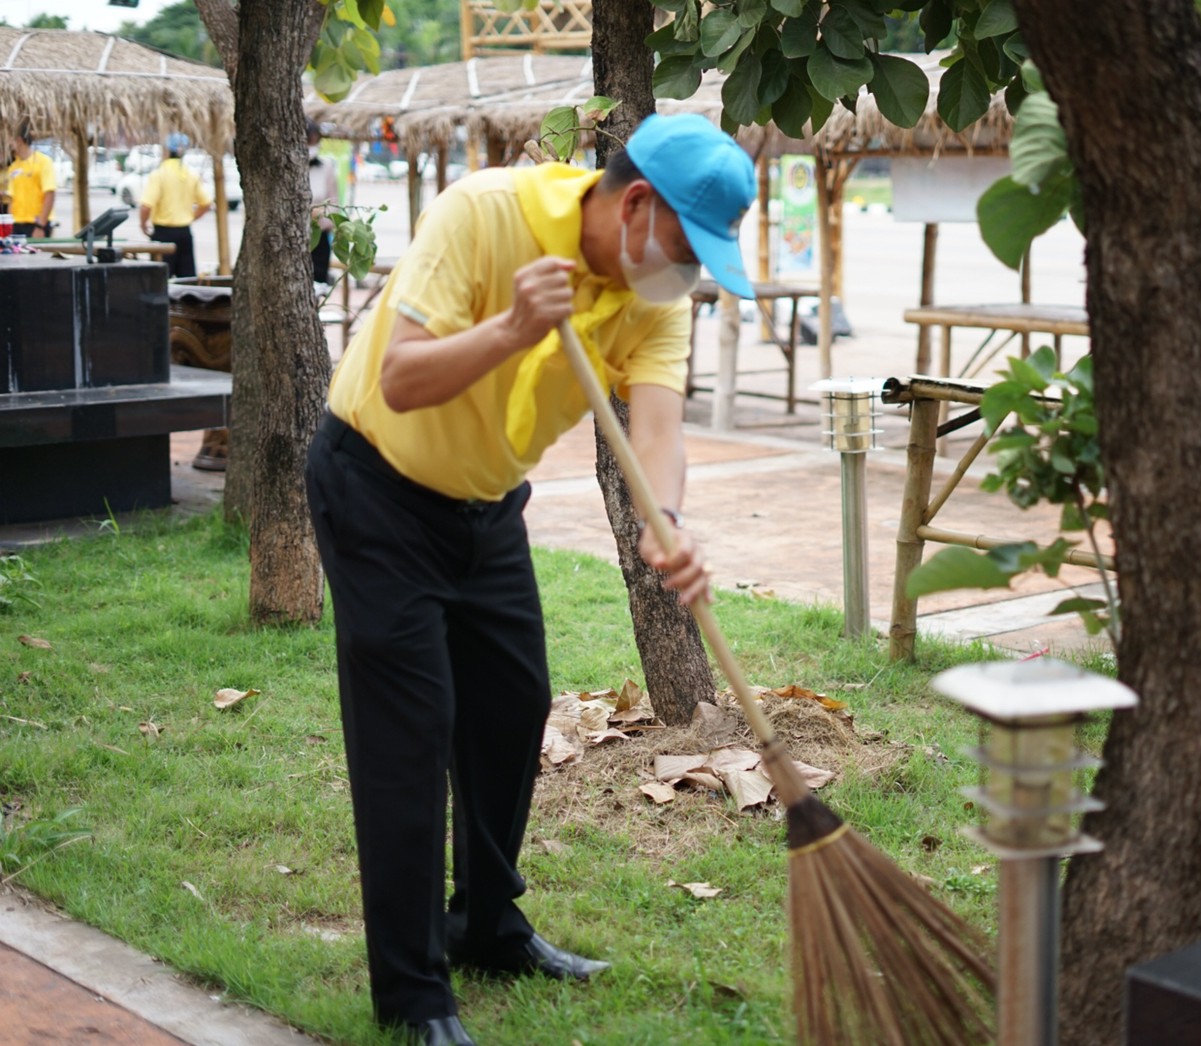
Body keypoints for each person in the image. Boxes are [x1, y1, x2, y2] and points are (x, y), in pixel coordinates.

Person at [304, 113, 757, 1046]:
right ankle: (414, 993)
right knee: (410, 729)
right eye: (688, 245)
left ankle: (487, 926)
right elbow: (399, 379)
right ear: (635, 205)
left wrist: (663, 522)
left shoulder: (654, 294)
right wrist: (514, 326)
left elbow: (659, 432)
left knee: (514, 706)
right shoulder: (483, 213)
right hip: (377, 487)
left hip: (485, 507)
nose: (691, 272)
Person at [139, 133, 212, 278]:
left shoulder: (159, 174)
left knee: (160, 280)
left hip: (162, 233)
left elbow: (146, 206)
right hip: (184, 233)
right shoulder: (191, 174)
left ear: (167, 150)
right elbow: (206, 203)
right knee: (186, 280)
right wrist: (191, 217)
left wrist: (143, 224)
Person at [6, 126, 55, 237]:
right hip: (16, 225)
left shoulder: (43, 162)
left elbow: (49, 194)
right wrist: (9, 226)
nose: (9, 144)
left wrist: (40, 226)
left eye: (10, 140)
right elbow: (11, 199)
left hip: (36, 224)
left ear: (19, 140)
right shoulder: (13, 167)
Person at [307, 120, 339, 284]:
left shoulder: (326, 167)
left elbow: (334, 206)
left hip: (319, 239)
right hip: (294, 240)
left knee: (318, 283)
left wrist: (319, 216)